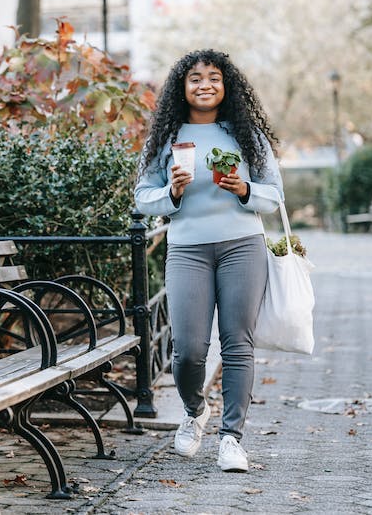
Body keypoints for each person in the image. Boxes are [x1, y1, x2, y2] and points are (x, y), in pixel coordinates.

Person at [134, 49, 283, 472]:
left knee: (238, 344)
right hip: (188, 249)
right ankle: (194, 409)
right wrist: (173, 194)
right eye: (195, 78)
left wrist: (243, 189)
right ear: (182, 87)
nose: (205, 84)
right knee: (188, 350)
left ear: (226, 85)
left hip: (242, 245)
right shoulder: (165, 139)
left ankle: (232, 438)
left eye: (214, 77)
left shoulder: (246, 136)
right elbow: (143, 197)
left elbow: (275, 196)